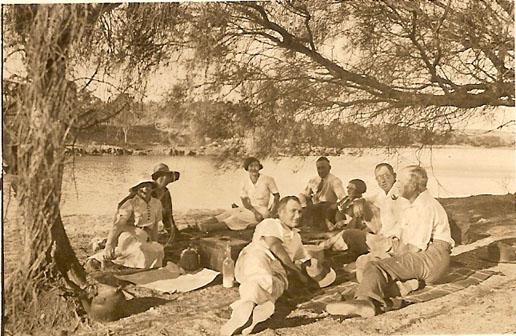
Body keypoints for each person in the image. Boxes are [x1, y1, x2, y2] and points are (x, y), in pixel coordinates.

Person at [326, 165, 454, 317]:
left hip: (432, 257)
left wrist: (387, 260)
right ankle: (405, 284)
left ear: (412, 185)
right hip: (429, 255)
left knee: (376, 266)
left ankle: (364, 301)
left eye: (400, 181)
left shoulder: (424, 207)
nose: (397, 185)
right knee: (370, 265)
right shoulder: (415, 203)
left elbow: (414, 248)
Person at [220, 196, 318, 336]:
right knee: (260, 277)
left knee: (276, 284)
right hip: (259, 255)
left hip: (279, 270)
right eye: (293, 211)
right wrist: (297, 273)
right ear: (281, 212)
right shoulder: (271, 223)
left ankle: (254, 310)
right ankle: (247, 308)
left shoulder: (296, 237)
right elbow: (275, 247)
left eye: (300, 212)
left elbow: (304, 260)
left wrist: (314, 269)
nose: (297, 216)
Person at [355, 163, 410, 283]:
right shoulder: (385, 193)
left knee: (355, 245)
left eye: (386, 176)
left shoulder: (399, 192)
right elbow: (374, 198)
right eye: (379, 178)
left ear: (394, 176)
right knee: (353, 240)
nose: (383, 181)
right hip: (385, 239)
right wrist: (360, 200)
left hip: (396, 243)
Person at [101, 180, 165, 269]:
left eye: (148, 186)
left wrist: (154, 241)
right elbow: (118, 225)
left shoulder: (157, 203)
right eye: (141, 186)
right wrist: (109, 243)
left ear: (152, 188)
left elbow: (154, 226)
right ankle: (112, 260)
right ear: (137, 189)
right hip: (130, 234)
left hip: (146, 235)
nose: (145, 189)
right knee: (139, 251)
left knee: (158, 250)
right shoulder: (130, 203)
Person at [216, 157, 280, 230]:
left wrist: (272, 212)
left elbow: (277, 196)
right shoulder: (244, 181)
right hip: (250, 209)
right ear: (247, 167)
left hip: (262, 211)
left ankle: (208, 228)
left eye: (256, 166)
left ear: (259, 167)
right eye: (251, 166)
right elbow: (244, 200)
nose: (254, 168)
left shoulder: (268, 179)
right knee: (229, 212)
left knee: (235, 218)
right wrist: (255, 212)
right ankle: (203, 223)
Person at [298, 157, 346, 230]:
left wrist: (335, 205)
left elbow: (343, 198)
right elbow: (304, 194)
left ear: (329, 168)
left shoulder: (335, 181)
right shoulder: (313, 180)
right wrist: (304, 205)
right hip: (314, 207)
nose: (321, 171)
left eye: (323, 168)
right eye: (318, 168)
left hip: (327, 208)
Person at [151, 163, 180, 243]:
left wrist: (173, 233)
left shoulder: (166, 192)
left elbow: (168, 216)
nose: (164, 179)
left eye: (166, 176)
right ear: (156, 178)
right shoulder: (148, 190)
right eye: (160, 176)